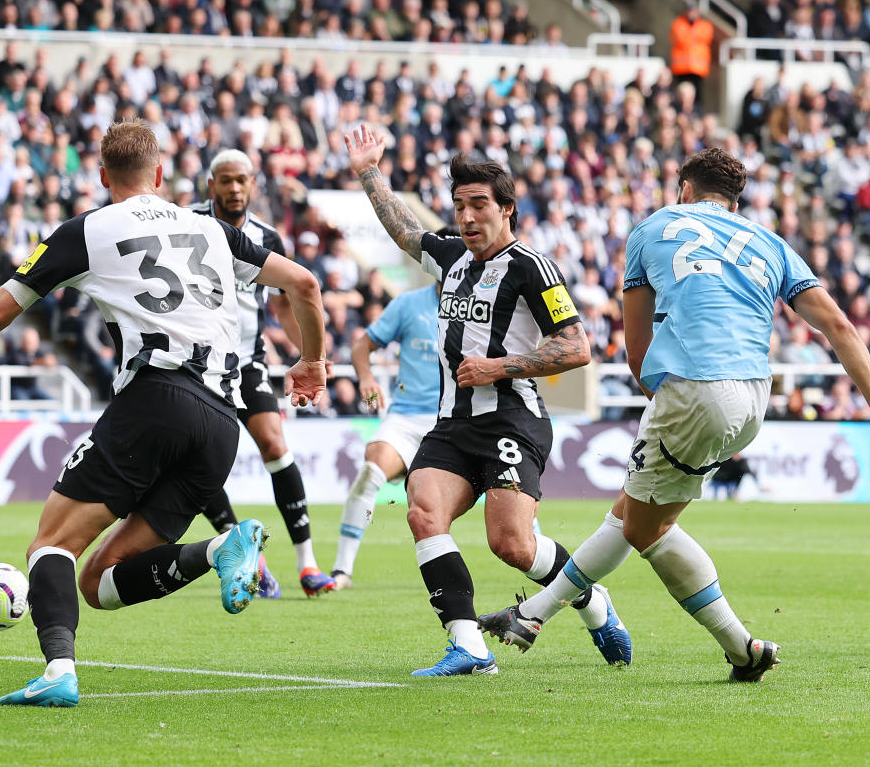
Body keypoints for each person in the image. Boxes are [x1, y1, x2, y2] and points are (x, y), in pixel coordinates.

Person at [0, 121, 328, 707]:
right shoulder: (212, 229)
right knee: (101, 582)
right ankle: (222, 548)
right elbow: (303, 282)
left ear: (101, 176)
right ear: (161, 175)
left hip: (155, 401)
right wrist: (313, 362)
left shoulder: (86, 230)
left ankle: (59, 672)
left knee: (51, 546)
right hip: (222, 423)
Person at [479, 147, 870, 682]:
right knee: (641, 517)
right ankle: (741, 652)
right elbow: (839, 327)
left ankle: (533, 618)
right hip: (753, 398)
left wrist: (665, 398)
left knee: (643, 528)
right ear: (733, 199)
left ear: (684, 187)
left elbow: (637, 350)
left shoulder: (652, 228)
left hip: (694, 390)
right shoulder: (770, 242)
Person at [345, 124, 631, 677]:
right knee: (424, 511)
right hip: (452, 422)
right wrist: (368, 172)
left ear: (506, 211)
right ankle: (469, 647)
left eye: (479, 205)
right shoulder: (450, 259)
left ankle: (593, 603)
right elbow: (405, 231)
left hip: (512, 419)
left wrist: (498, 367)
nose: (467, 217)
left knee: (513, 545)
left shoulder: (532, 268)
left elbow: (577, 347)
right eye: (459, 206)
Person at [191, 149, 338, 598]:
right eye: (226, 180)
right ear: (212, 184)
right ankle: (246, 555)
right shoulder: (190, 225)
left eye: (242, 180)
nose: (234, 188)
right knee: (199, 464)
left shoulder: (267, 235)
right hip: (196, 364)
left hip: (246, 362)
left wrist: (310, 357)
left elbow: (282, 304)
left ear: (253, 183)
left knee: (275, 444)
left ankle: (307, 564)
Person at [330, 282, 440, 589]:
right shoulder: (409, 303)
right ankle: (342, 571)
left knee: (503, 487)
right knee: (371, 470)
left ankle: (543, 564)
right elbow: (361, 346)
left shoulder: (481, 303)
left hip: (456, 419)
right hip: (406, 415)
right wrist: (366, 378)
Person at [669, 1, 713, 100]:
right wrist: (694, 38)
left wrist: (688, 37)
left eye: (693, 11)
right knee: (680, 92)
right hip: (681, 67)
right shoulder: (678, 23)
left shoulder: (705, 25)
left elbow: (706, 37)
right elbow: (678, 38)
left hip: (698, 68)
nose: (691, 13)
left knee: (697, 93)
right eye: (689, 10)